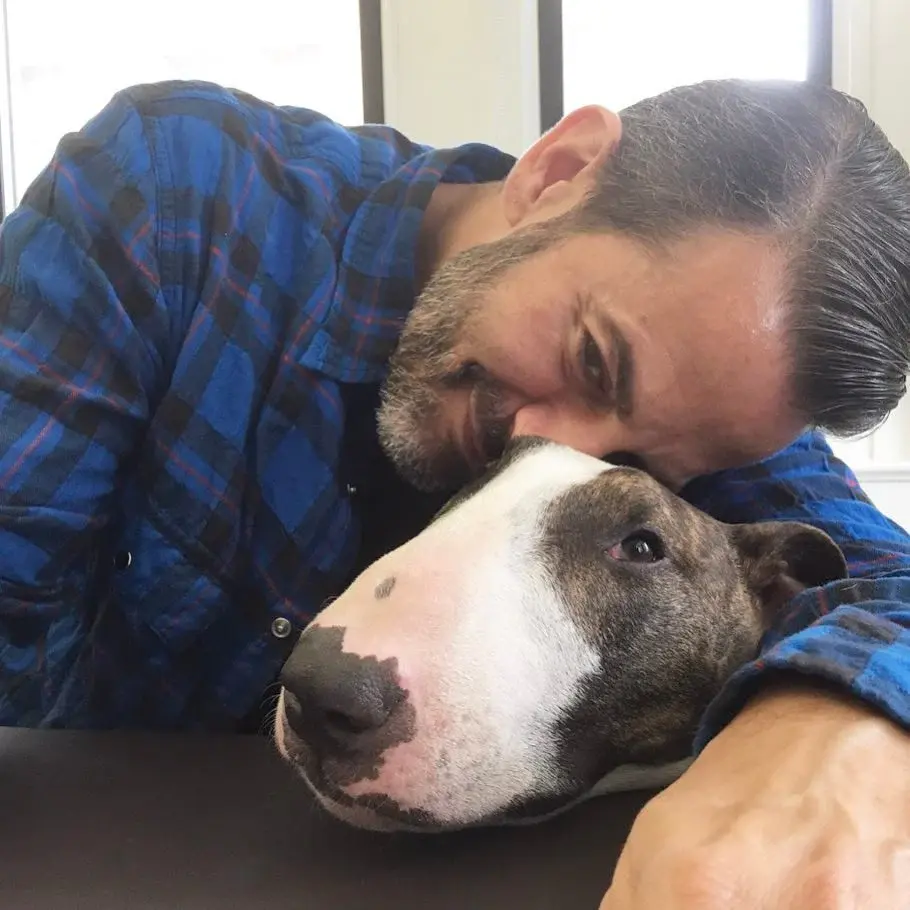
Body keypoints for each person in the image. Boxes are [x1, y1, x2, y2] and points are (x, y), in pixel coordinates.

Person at [0, 76, 908, 906]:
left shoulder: (702, 404)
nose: (544, 449)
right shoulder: (177, 198)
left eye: (646, 465)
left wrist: (833, 716)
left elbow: (886, 585)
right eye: (592, 360)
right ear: (557, 171)